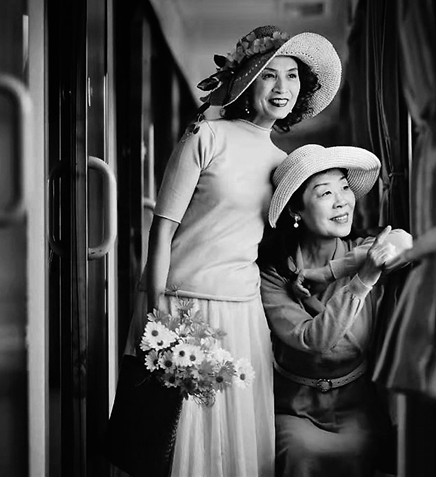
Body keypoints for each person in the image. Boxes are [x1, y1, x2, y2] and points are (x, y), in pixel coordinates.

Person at [124, 26, 342, 476]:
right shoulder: (205, 135)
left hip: (243, 312)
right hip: (184, 306)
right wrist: (157, 316)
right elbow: (161, 231)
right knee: (176, 439)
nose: (282, 87)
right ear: (247, 81)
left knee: (234, 443)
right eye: (270, 75)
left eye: (292, 77)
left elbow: (276, 245)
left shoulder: (284, 165)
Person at [258, 144, 413, 477]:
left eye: (344, 187)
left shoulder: (361, 250)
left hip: (357, 407)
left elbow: (404, 244)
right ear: (295, 210)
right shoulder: (274, 274)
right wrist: (363, 280)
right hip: (295, 410)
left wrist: (329, 272)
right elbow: (313, 340)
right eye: (325, 192)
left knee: (365, 451)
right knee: (297, 454)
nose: (341, 201)